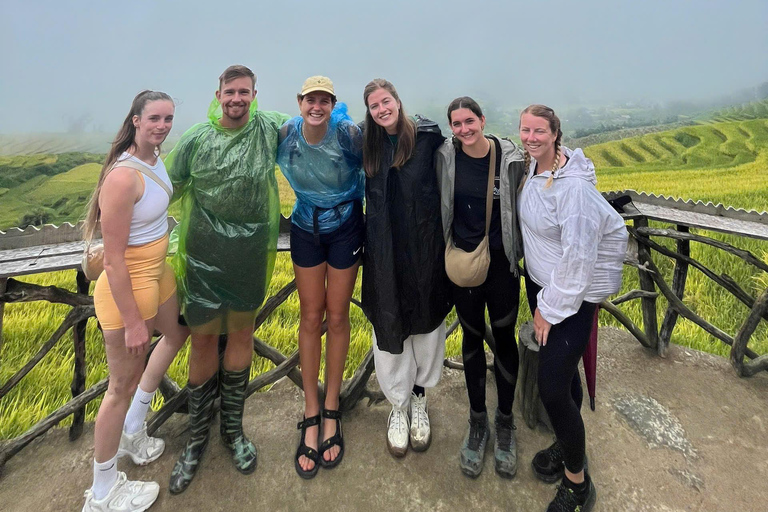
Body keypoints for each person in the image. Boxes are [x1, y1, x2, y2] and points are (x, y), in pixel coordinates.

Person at [165, 65, 290, 493]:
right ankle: (196, 439)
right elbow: (163, 187)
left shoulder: (269, 128)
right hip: (202, 257)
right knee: (201, 342)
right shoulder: (196, 139)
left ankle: (232, 432)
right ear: (217, 94)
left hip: (249, 256)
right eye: (230, 91)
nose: (237, 98)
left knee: (240, 337)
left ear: (255, 94)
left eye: (244, 92)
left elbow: (314, 125)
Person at [81, 90, 189, 511]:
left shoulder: (154, 158)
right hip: (129, 282)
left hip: (159, 272)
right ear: (136, 121)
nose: (162, 126)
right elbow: (112, 260)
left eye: (168, 119)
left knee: (176, 334)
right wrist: (132, 322)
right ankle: (103, 491)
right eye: (155, 119)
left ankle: (132, 428)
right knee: (119, 386)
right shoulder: (124, 176)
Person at [517, 104, 628, 512]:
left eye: (539, 132)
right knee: (562, 378)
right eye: (525, 130)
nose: (531, 138)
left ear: (555, 134)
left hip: (569, 298)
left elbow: (579, 258)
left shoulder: (574, 189)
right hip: (543, 286)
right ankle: (567, 445)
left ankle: (578, 483)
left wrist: (548, 309)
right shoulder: (536, 167)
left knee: (550, 388)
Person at [276, 76, 364, 478]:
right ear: (300, 102)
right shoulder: (286, 135)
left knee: (338, 315)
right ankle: (311, 409)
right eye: (311, 99)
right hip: (306, 227)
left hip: (346, 227)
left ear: (332, 104)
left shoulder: (347, 135)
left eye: (324, 100)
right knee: (310, 317)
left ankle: (332, 408)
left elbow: (383, 163)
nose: (317, 106)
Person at [360, 78, 452, 458]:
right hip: (383, 250)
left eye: (386, 101)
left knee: (427, 324)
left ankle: (419, 398)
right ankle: (397, 404)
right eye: (374, 105)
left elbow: (456, 171)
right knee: (390, 321)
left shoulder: (428, 138)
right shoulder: (366, 145)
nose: (381, 109)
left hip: (424, 248)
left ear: (398, 101)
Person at [435, 97, 526, 479]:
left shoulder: (510, 158)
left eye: (469, 121)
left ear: (483, 120)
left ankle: (504, 422)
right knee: (471, 341)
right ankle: (477, 422)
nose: (463, 129)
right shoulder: (446, 157)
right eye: (456, 124)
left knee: (504, 340)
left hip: (503, 266)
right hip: (464, 268)